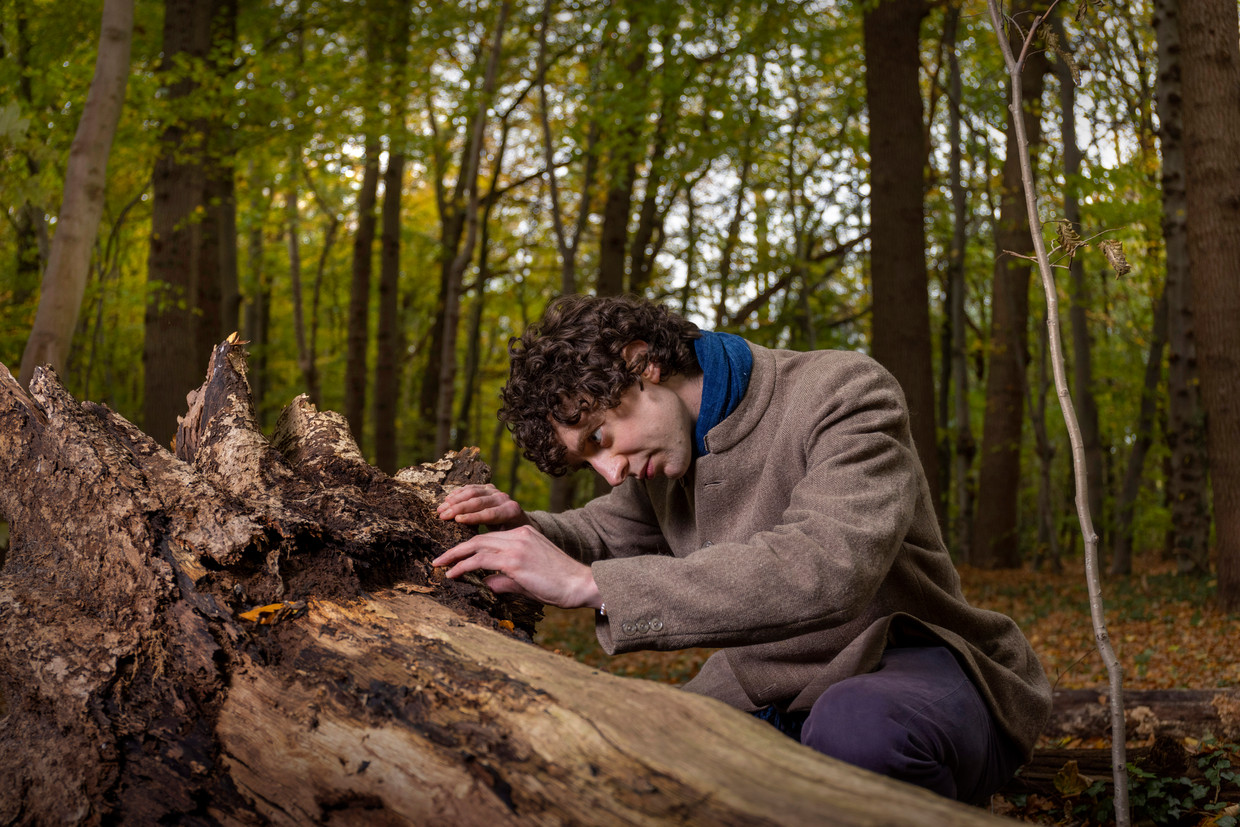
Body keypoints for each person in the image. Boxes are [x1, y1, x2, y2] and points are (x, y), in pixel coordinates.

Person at [432, 294, 1051, 804]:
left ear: (641, 362)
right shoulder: (658, 461)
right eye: (587, 459)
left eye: (601, 437)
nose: (611, 471)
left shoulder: (842, 391)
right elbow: (599, 534)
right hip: (766, 687)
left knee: (861, 728)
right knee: (628, 766)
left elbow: (827, 565)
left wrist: (589, 586)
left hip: (915, 666)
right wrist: (522, 530)